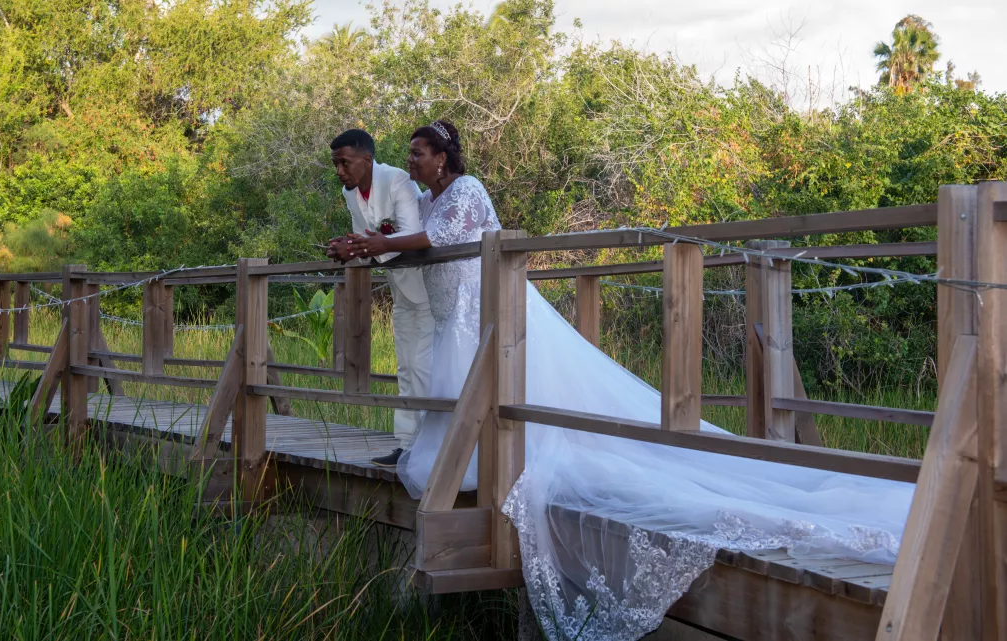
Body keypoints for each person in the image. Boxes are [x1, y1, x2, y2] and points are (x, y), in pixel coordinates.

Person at [346, 120, 914, 641]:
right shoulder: (425, 198)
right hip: (457, 315)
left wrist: (378, 243)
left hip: (486, 310)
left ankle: (501, 459)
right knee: (466, 393)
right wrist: (364, 247)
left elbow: (438, 241)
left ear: (443, 158)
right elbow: (411, 238)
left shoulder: (467, 192)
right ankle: (470, 464)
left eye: (419, 154)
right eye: (412, 155)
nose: (412, 161)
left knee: (521, 397)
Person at [326, 129, 434, 467]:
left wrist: (363, 246)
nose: (340, 171)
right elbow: (365, 240)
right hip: (400, 288)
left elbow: (414, 235)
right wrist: (346, 249)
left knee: (424, 365)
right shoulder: (350, 194)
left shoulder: (398, 180)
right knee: (405, 364)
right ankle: (406, 445)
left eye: (344, 163)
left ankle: (433, 444)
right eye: (336, 165)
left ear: (367, 160)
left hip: (429, 287)